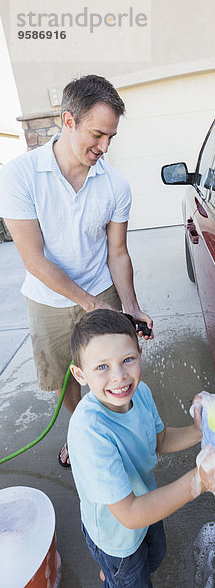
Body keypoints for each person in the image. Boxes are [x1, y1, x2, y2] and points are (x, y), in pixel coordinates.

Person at [0, 75, 152, 467]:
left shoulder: (116, 185)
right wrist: (90, 305)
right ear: (68, 121)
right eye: (97, 134)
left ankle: (115, 432)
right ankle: (80, 430)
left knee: (113, 371)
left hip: (100, 286)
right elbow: (34, 260)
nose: (103, 147)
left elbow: (117, 252)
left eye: (111, 138)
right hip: (47, 297)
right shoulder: (19, 176)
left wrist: (130, 306)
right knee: (65, 378)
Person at [67, 309, 215, 588]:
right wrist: (197, 482)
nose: (119, 376)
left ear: (139, 353)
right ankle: (111, 572)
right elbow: (129, 514)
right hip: (117, 536)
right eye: (102, 367)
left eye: (127, 360)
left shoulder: (141, 393)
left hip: (145, 504)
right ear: (80, 375)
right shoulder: (89, 432)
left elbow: (160, 440)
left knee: (155, 556)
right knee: (129, 577)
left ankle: (111, 572)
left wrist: (197, 431)